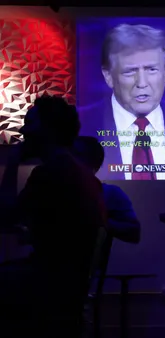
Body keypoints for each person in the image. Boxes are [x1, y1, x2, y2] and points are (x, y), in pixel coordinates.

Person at [0, 96, 106, 337]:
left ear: (47, 130)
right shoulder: (79, 172)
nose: (23, 129)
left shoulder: (51, 172)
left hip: (49, 285)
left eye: (29, 123)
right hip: (70, 286)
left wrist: (13, 163)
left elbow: (5, 217)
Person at [78, 23, 165, 180]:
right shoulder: (79, 127)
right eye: (130, 71)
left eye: (151, 69)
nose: (142, 83)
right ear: (108, 76)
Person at [72, 136, 141, 244]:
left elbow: (133, 232)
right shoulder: (50, 187)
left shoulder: (109, 193)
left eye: (75, 155)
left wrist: (99, 221)